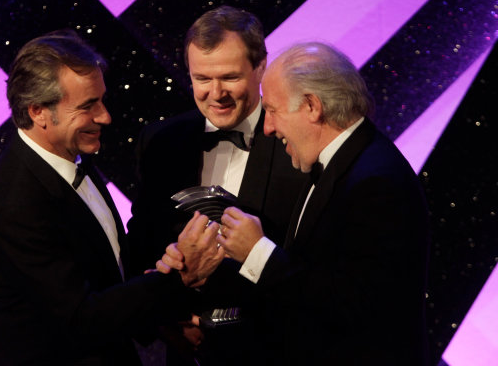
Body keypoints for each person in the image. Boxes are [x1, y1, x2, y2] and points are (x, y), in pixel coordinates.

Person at [161, 42, 431, 365]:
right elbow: (306, 279)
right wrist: (210, 277)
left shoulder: (377, 181)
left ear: (312, 107)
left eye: (273, 111)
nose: (268, 127)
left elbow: (353, 304)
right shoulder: (334, 163)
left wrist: (258, 251)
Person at [0, 30, 224, 366]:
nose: (105, 116)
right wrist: (180, 279)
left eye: (101, 100)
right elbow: (82, 318)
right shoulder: (17, 203)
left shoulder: (72, 154)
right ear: (38, 112)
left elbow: (110, 273)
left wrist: (160, 319)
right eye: (87, 106)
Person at [126, 6, 307, 364]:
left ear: (261, 67)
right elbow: (140, 249)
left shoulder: (297, 144)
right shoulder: (161, 142)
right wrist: (165, 312)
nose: (216, 93)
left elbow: (313, 266)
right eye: (202, 78)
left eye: (229, 77)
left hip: (272, 351)